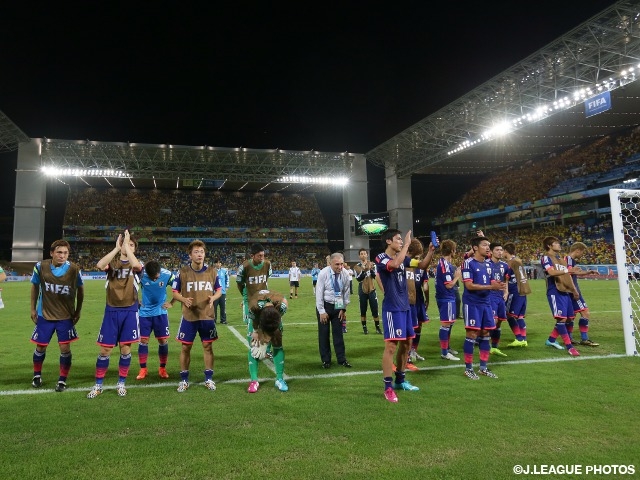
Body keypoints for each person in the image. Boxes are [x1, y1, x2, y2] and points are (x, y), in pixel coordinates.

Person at [375, 229, 434, 403]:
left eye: (402, 240)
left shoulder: (404, 260)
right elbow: (393, 265)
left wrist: (430, 251)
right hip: (392, 309)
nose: (401, 241)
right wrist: (407, 244)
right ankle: (388, 387)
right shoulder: (381, 258)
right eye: (398, 239)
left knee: (407, 344)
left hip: (406, 308)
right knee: (391, 347)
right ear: (388, 241)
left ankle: (400, 380)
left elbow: (422, 265)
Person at [87, 230, 143, 398]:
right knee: (105, 350)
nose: (128, 246)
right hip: (111, 310)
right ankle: (98, 385)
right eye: (127, 244)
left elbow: (137, 267)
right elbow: (99, 264)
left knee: (125, 349)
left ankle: (121, 383)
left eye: (132, 245)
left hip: (130, 310)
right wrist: (116, 248)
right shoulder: (113, 264)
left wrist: (127, 246)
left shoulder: (137, 264)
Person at [30, 240, 84, 392]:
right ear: (52, 253)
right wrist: (33, 309)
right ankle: (36, 375)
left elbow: (80, 291)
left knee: (65, 347)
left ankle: (62, 379)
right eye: (59, 252)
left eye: (65, 253)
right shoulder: (40, 267)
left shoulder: (74, 269)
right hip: (44, 314)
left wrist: (78, 310)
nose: (62, 255)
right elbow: (34, 286)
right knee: (40, 346)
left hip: (65, 316)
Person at [172, 240, 222, 392]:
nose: (200, 254)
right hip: (189, 316)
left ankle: (208, 379)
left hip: (207, 316)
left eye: (202, 251)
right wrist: (183, 299)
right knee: (186, 347)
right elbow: (175, 292)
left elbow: (219, 290)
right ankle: (184, 380)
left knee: (208, 346)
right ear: (190, 255)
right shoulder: (183, 272)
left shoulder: (212, 271)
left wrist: (213, 298)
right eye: (196, 252)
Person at [461, 236, 506, 380]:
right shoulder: (468, 263)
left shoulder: (487, 265)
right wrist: (491, 286)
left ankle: (483, 368)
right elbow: (469, 285)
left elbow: (489, 281)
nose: (488, 248)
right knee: (472, 335)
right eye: (485, 245)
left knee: (486, 333)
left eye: (488, 245)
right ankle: (468, 369)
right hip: (472, 303)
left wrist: (497, 284)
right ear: (475, 248)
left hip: (486, 303)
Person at [135, 260, 175, 381]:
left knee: (162, 340)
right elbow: (130, 287)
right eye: (151, 278)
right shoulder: (141, 274)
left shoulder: (167, 274)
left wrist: (172, 303)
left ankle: (162, 368)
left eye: (156, 277)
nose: (154, 279)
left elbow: (180, 286)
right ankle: (143, 369)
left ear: (159, 271)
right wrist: (136, 301)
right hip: (144, 313)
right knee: (143, 340)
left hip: (160, 312)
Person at [540, 236, 580, 356]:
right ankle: (569, 346)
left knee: (568, 318)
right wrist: (569, 271)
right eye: (556, 243)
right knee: (561, 319)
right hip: (554, 290)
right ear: (549, 246)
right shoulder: (546, 257)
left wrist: (587, 273)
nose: (559, 245)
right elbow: (551, 272)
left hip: (565, 290)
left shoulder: (561, 259)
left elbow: (569, 272)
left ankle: (551, 340)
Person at [246, 289, 289, 393]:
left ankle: (279, 379)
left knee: (277, 344)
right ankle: (254, 380)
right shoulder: (253, 308)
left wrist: (270, 335)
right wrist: (257, 332)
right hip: (258, 321)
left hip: (273, 317)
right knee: (255, 346)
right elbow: (254, 323)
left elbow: (284, 304)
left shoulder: (281, 305)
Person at [315, 252, 352, 369]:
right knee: (324, 334)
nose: (340, 267)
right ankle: (326, 360)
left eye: (341, 264)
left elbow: (345, 292)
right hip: (325, 306)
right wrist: (321, 311)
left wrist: (343, 309)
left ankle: (342, 359)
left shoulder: (345, 274)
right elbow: (319, 293)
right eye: (337, 264)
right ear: (330, 263)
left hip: (338, 306)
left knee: (338, 334)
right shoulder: (323, 273)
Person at [407, 238, 435, 367]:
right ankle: (409, 353)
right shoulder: (408, 263)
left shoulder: (416, 265)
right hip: (411, 300)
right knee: (414, 327)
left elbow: (426, 286)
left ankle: (412, 352)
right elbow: (425, 287)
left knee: (416, 327)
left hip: (416, 300)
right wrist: (427, 300)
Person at [566, 242, 600, 346]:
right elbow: (568, 273)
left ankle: (570, 338)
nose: (582, 254)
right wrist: (574, 290)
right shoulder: (568, 259)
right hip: (573, 291)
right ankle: (584, 339)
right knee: (585, 313)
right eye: (582, 252)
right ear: (578, 250)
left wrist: (588, 272)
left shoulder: (570, 260)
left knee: (571, 316)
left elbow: (572, 272)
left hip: (570, 291)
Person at [434, 239, 462, 361]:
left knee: (449, 323)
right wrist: (457, 277)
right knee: (445, 324)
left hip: (447, 297)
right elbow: (449, 285)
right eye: (455, 250)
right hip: (446, 297)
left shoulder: (445, 263)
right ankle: (444, 352)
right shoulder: (444, 264)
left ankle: (447, 348)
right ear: (452, 250)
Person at [237, 243, 272, 326]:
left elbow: (265, 281)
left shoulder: (267, 264)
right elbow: (240, 284)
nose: (262, 258)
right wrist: (245, 297)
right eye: (259, 256)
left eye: (263, 255)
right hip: (249, 300)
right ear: (252, 256)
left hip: (263, 299)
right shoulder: (244, 267)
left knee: (263, 324)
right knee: (250, 326)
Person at [503, 242, 530, 347]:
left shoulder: (510, 263)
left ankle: (519, 338)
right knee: (520, 317)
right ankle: (524, 339)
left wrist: (506, 291)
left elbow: (506, 278)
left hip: (515, 291)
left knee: (509, 315)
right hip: (523, 291)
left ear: (506, 251)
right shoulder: (518, 260)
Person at [487, 242, 510, 357]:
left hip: (500, 296)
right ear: (491, 252)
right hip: (490, 296)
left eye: (501, 250)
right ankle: (485, 344)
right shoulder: (485, 264)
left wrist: (506, 292)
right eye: (497, 250)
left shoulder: (504, 265)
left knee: (499, 321)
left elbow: (505, 280)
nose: (500, 252)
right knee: (493, 321)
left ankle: (494, 347)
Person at [353, 248, 382, 335]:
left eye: (364, 253)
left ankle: (377, 328)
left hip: (372, 289)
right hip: (362, 290)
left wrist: (371, 270)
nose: (363, 255)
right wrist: (365, 271)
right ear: (359, 256)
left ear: (367, 255)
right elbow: (358, 279)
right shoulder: (356, 266)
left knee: (375, 309)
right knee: (363, 309)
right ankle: (365, 328)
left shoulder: (372, 264)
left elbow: (374, 276)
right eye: (361, 254)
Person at [213, 258, 230, 324]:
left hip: (222, 292)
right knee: (214, 307)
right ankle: (213, 320)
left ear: (221, 264)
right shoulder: (212, 271)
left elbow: (227, 279)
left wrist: (227, 286)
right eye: (216, 263)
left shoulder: (224, 271)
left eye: (219, 263)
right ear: (215, 264)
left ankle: (223, 320)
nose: (218, 264)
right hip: (215, 293)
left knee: (223, 307)